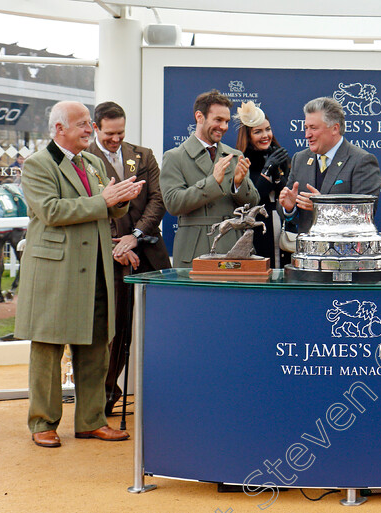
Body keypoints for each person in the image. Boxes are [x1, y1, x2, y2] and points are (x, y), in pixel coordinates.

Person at [16, 101, 145, 447]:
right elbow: (51, 210)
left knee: (96, 347)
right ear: (59, 129)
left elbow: (106, 208)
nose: (90, 129)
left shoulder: (91, 162)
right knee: (48, 348)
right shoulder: (37, 165)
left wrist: (120, 199)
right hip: (56, 272)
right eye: (83, 124)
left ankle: (91, 420)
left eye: (90, 123)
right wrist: (105, 200)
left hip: (96, 270)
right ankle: (43, 422)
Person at [87, 101, 171, 415]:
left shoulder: (143, 155)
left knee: (161, 330)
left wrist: (133, 237)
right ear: (96, 128)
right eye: (109, 133)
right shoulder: (85, 161)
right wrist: (116, 246)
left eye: (120, 132)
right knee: (114, 333)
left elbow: (158, 199)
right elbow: (93, 206)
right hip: (110, 258)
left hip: (148, 253)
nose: (116, 139)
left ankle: (162, 397)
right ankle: (105, 399)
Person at [161, 90, 259, 267]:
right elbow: (173, 203)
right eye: (218, 120)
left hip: (232, 247)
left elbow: (253, 203)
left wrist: (238, 184)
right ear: (199, 117)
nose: (223, 127)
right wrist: (212, 183)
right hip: (194, 250)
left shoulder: (235, 155)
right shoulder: (174, 157)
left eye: (227, 121)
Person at [278, 97, 380, 234]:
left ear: (334, 128)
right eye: (306, 128)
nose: (307, 135)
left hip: (344, 252)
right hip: (308, 252)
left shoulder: (361, 161)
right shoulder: (300, 159)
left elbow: (364, 215)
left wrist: (322, 208)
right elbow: (287, 209)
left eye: (313, 128)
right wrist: (289, 208)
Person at [234, 101, 290, 266]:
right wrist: (267, 169)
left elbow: (286, 194)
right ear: (248, 136)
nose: (265, 135)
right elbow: (252, 199)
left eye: (268, 129)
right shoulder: (241, 163)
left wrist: (277, 172)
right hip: (256, 228)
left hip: (283, 228)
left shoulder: (282, 158)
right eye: (258, 132)